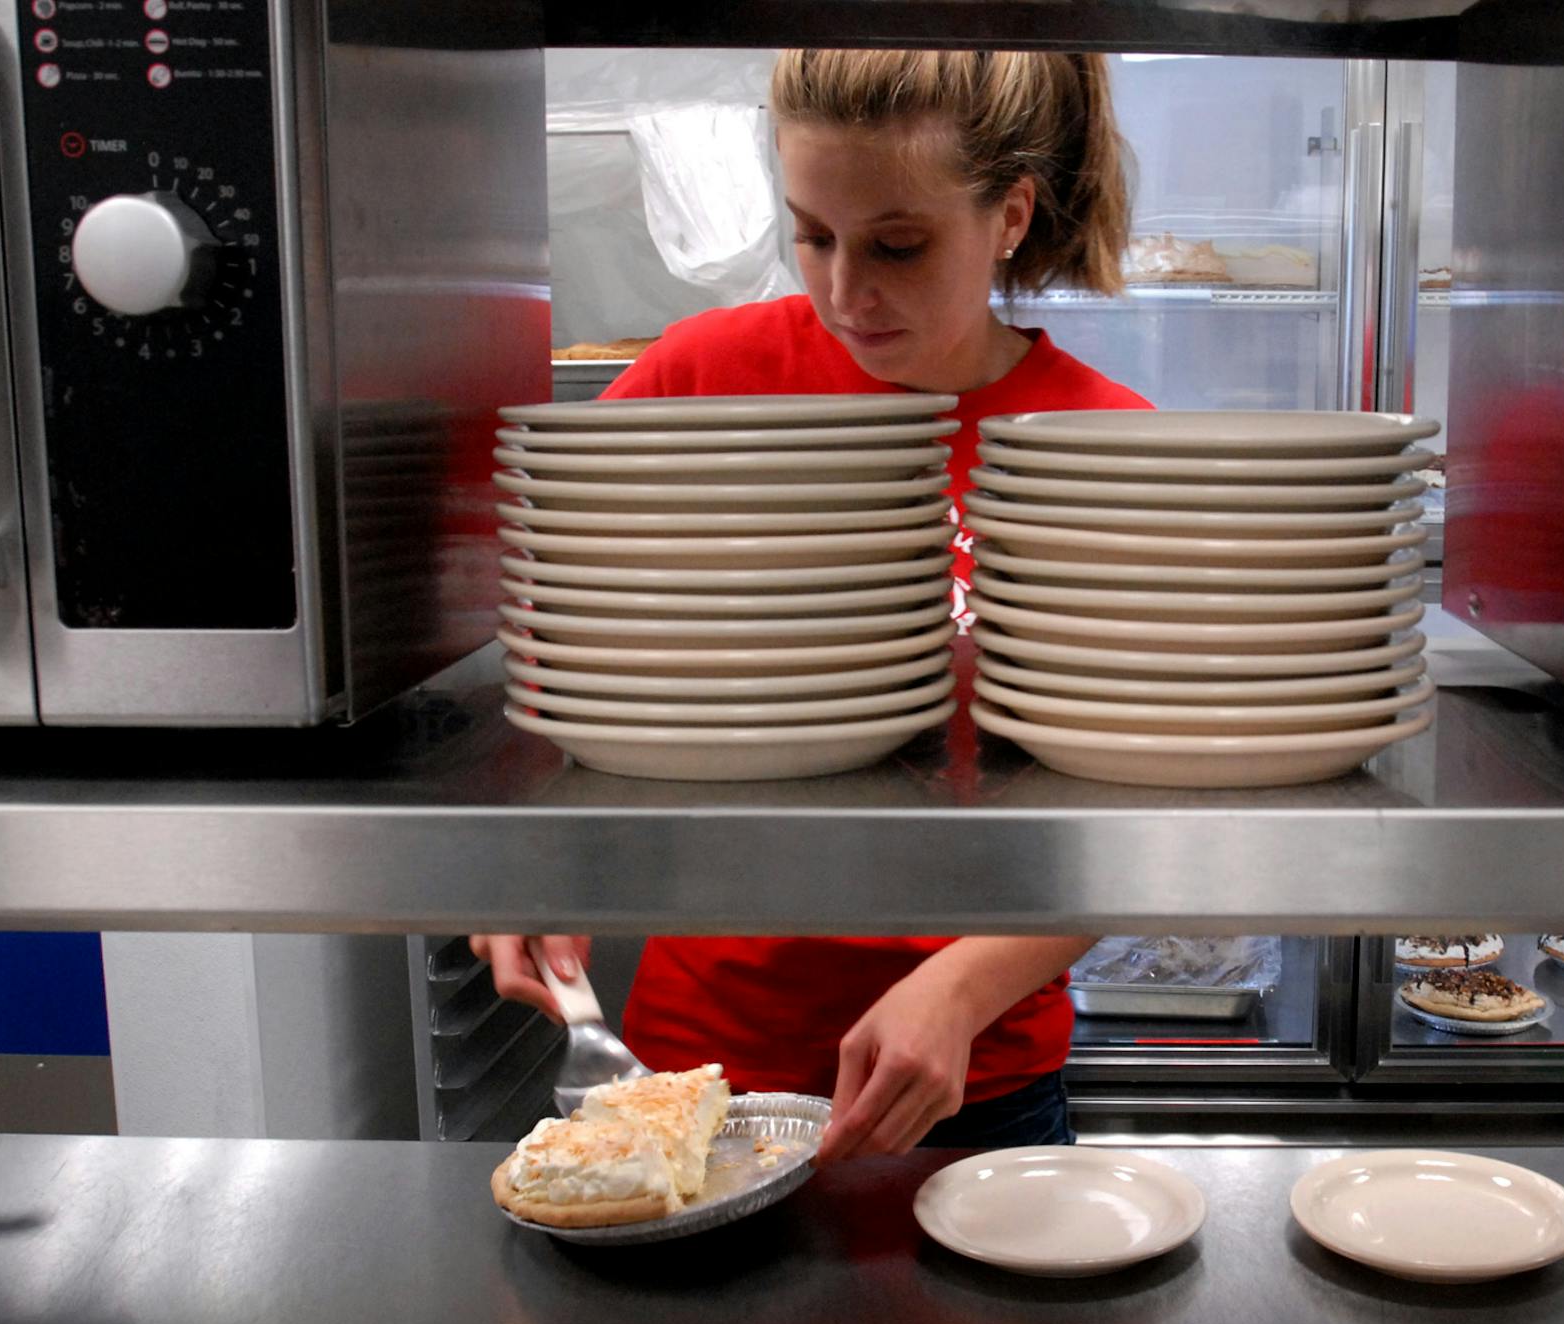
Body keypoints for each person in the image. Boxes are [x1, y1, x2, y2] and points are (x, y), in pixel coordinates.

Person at [476, 49, 1151, 1162]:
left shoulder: (1102, 450)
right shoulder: (700, 383)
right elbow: (560, 640)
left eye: (897, 245)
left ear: (1010, 216)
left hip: (971, 1072)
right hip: (702, 1058)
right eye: (813, 236)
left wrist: (964, 986)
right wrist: (536, 855)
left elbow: (1138, 814)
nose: (844, 291)